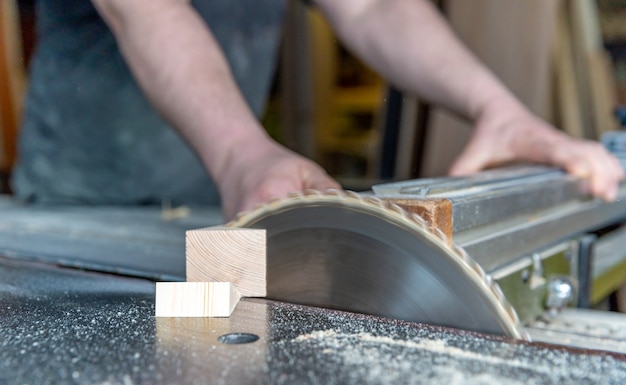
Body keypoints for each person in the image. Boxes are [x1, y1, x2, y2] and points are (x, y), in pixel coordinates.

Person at [12, 0, 624, 221]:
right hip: (87, 207)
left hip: (218, 195)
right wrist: (241, 153)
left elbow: (371, 8)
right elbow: (146, 11)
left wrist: (497, 109)